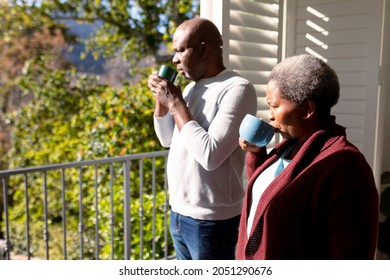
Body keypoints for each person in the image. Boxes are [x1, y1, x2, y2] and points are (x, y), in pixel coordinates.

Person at [235, 54, 379, 260]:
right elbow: (269, 195)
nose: (270, 115)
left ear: (307, 110)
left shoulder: (345, 167)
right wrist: (257, 154)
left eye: (274, 106)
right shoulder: (288, 147)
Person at [147, 17, 257, 260]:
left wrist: (175, 103)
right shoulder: (190, 88)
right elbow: (166, 139)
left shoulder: (237, 88)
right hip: (178, 213)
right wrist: (161, 100)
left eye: (180, 51)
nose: (174, 59)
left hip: (212, 221)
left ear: (204, 49)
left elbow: (210, 155)